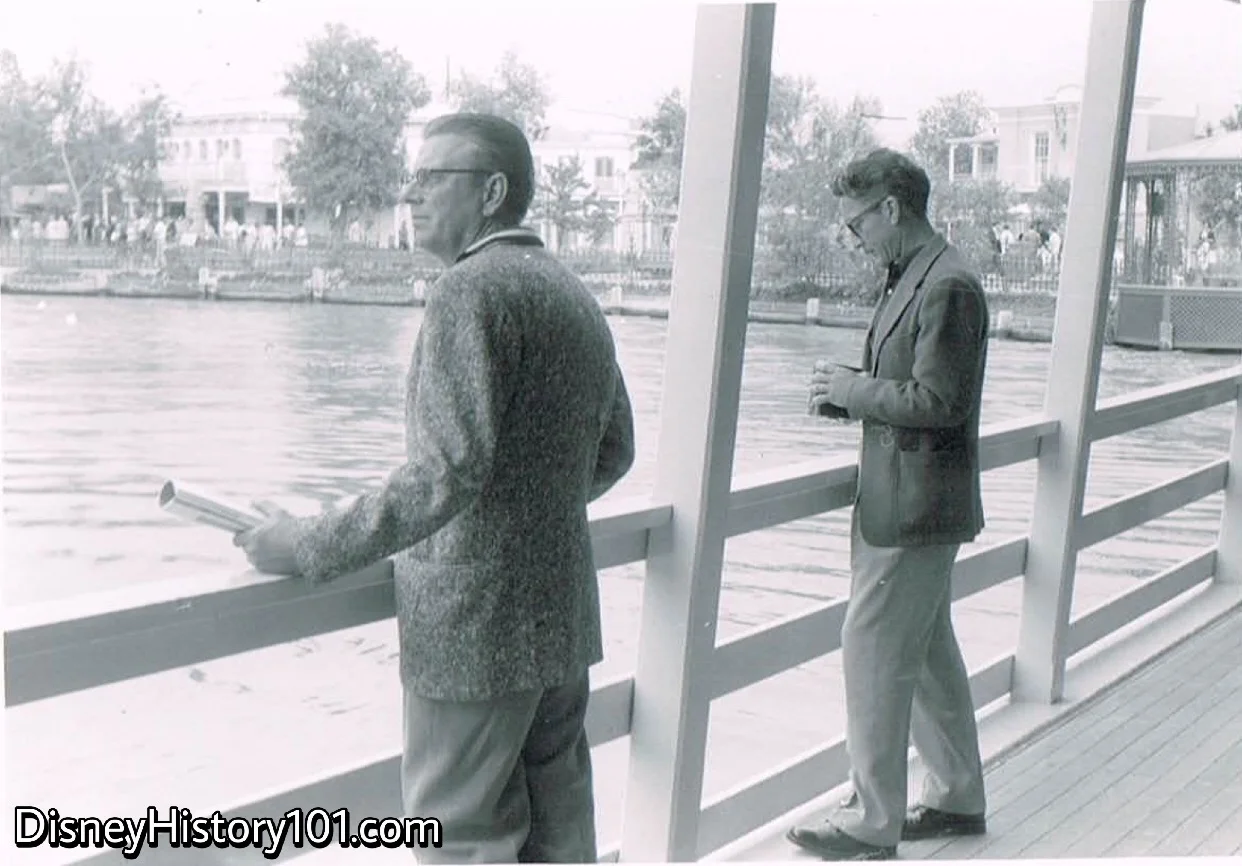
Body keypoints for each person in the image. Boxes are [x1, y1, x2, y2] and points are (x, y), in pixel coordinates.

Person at [235, 112, 636, 863]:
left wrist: (307, 543)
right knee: (560, 830)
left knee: (459, 834)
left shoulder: (467, 292)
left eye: (431, 178)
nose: (411, 193)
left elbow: (443, 471)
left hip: (476, 630)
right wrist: (528, 518)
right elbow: (616, 450)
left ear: (491, 192)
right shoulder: (571, 291)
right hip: (560, 615)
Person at [790, 148, 989, 861]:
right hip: (909, 501)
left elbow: (941, 401)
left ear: (891, 209)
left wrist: (853, 391)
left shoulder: (947, 286)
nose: (855, 238)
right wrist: (854, 395)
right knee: (929, 656)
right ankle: (958, 794)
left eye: (856, 224)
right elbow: (918, 388)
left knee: (870, 647)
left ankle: (872, 819)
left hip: (913, 508)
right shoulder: (926, 276)